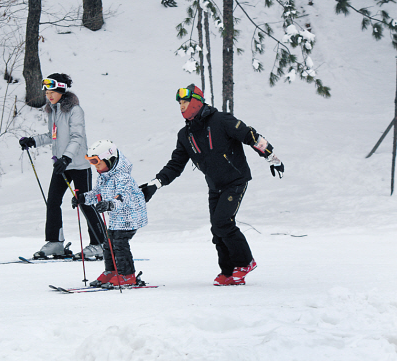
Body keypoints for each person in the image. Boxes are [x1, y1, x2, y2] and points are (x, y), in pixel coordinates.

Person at [140, 84, 284, 286]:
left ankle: (245, 262)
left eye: (185, 101)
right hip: (215, 184)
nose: (181, 106)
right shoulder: (185, 135)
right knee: (217, 229)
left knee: (222, 222)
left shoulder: (221, 120)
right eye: (179, 103)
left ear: (197, 101)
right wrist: (155, 184)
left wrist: (272, 156)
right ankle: (228, 272)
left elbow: (249, 135)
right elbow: (175, 164)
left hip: (235, 180)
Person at [19, 73, 106, 259]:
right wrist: (33, 141)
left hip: (79, 165)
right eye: (47, 93)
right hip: (61, 166)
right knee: (53, 201)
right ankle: (55, 243)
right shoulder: (53, 110)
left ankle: (100, 244)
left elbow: (77, 137)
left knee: (85, 203)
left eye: (52, 92)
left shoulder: (75, 110)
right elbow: (53, 136)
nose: (49, 96)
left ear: (61, 90)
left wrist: (66, 158)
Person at [71, 140, 148, 287]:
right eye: (92, 163)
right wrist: (82, 198)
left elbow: (122, 197)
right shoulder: (104, 177)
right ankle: (112, 271)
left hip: (130, 217)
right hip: (115, 218)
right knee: (108, 243)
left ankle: (127, 275)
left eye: (97, 162)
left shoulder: (123, 178)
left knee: (119, 243)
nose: (95, 166)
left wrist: (110, 204)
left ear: (110, 160)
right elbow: (97, 194)